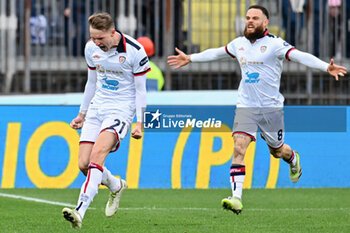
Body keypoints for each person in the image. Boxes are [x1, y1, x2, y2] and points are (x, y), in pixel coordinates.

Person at [168, 5, 347, 215]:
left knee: (277, 151)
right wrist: (191, 58)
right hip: (246, 106)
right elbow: (217, 53)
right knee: (238, 148)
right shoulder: (239, 44)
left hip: (271, 109)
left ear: (265, 22)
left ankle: (293, 158)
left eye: (255, 18)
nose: (250, 21)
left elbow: (300, 56)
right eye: (247, 18)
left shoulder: (275, 44)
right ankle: (236, 198)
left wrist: (326, 66)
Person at [62, 12, 150, 228]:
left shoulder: (135, 51)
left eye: (100, 38)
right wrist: (82, 114)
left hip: (120, 110)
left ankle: (80, 210)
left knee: (97, 156)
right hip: (97, 108)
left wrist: (140, 122)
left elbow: (141, 91)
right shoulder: (91, 48)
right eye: (93, 37)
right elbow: (91, 82)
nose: (96, 42)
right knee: (84, 164)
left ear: (113, 32)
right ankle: (115, 184)